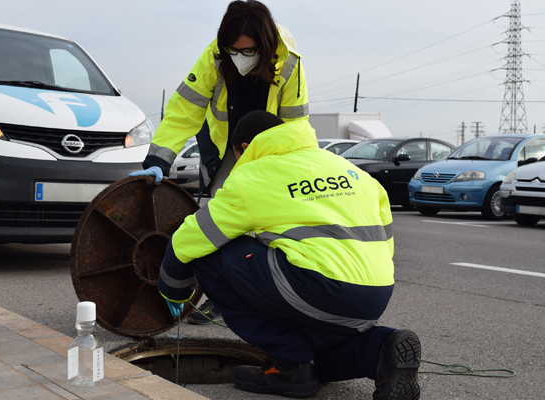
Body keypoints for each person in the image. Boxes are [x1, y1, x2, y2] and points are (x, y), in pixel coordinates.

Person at [156, 111, 421, 399]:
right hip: (375, 293)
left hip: (318, 287)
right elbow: (386, 243)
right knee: (321, 357)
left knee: (211, 255)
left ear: (244, 148)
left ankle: (289, 365)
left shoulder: (253, 175)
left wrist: (174, 290)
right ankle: (381, 350)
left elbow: (190, 239)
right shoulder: (352, 171)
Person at [131, 0, 309, 324]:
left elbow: (296, 124)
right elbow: (185, 108)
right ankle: (216, 295)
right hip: (226, 150)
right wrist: (159, 158)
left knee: (265, 225)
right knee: (217, 218)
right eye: (234, 50)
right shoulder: (214, 57)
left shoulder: (289, 64)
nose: (240, 58)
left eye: (249, 51)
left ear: (265, 44)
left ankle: (256, 297)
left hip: (271, 151)